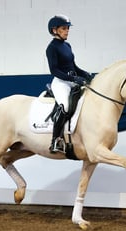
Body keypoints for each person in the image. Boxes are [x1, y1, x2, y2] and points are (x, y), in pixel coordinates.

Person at [46, 14, 93, 153]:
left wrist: (85, 74)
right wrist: (73, 79)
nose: (67, 31)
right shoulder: (51, 48)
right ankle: (56, 140)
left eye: (67, 28)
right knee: (65, 106)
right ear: (55, 30)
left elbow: (74, 66)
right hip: (61, 82)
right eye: (64, 28)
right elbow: (54, 70)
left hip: (72, 81)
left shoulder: (67, 45)